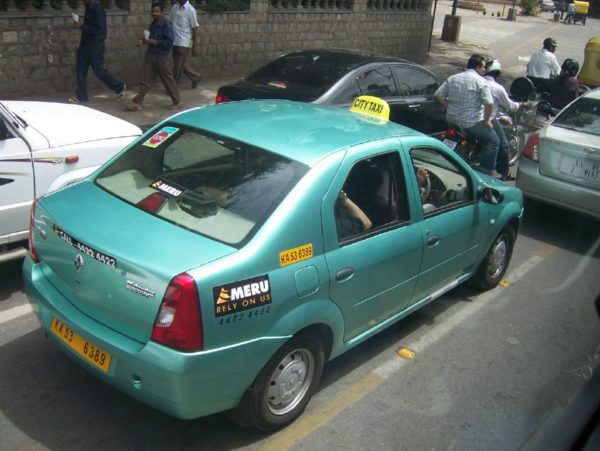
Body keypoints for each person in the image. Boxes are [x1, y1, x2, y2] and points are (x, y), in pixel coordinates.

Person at [434, 54, 500, 174]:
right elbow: (489, 104)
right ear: (477, 67)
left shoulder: (453, 78)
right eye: (484, 67)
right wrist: (487, 120)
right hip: (471, 123)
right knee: (494, 141)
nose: (485, 70)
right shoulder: (481, 82)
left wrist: (449, 106)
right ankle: (486, 171)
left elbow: (438, 94)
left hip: (452, 120)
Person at [127, 2, 183, 112]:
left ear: (162, 13)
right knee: (145, 78)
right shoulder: (153, 24)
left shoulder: (166, 25)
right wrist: (143, 41)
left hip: (162, 56)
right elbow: (149, 38)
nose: (154, 13)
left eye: (157, 11)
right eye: (153, 11)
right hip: (151, 55)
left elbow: (169, 41)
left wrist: (155, 42)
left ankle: (177, 101)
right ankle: (137, 102)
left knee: (167, 80)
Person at [69, 0, 126, 104]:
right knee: (80, 70)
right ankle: (81, 95)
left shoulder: (98, 9)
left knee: (99, 70)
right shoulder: (88, 8)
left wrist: (81, 26)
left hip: (95, 46)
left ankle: (119, 87)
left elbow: (99, 30)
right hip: (85, 45)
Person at [484, 58, 527, 182]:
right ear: (497, 73)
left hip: (471, 116)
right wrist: (521, 104)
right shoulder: (497, 88)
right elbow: (510, 106)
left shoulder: (478, 81)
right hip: (489, 119)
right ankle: (503, 173)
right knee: (503, 144)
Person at [169, 0, 202, 88]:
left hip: (184, 42)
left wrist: (195, 45)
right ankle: (196, 77)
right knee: (181, 64)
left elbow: (195, 28)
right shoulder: (174, 7)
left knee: (178, 66)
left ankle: (173, 87)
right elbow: (170, 22)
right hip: (174, 40)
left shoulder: (190, 10)